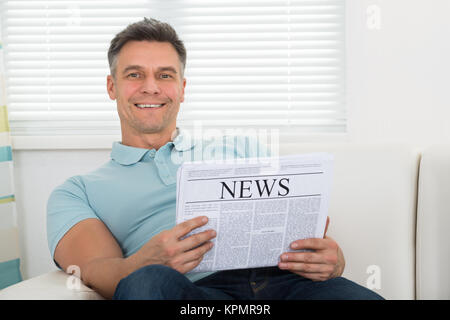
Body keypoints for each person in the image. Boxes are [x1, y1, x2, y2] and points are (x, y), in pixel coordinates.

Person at [47, 18, 383, 300]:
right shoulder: (79, 191)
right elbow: (92, 270)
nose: (151, 87)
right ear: (111, 87)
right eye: (134, 75)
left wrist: (331, 259)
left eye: (165, 75)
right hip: (195, 295)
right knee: (147, 283)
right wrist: (143, 262)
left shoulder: (241, 148)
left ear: (182, 88)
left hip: (285, 285)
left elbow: (309, 239)